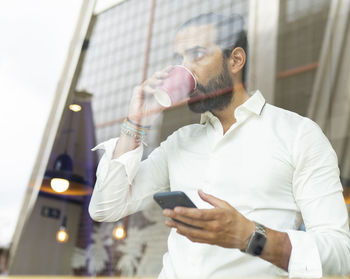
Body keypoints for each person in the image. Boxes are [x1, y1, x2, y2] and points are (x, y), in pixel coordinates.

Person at [89, 13, 350, 278]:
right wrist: (135, 120)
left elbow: (341, 254)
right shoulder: (180, 142)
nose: (185, 69)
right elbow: (106, 207)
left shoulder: (298, 135)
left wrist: (251, 236)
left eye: (197, 55)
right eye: (179, 59)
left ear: (235, 60)